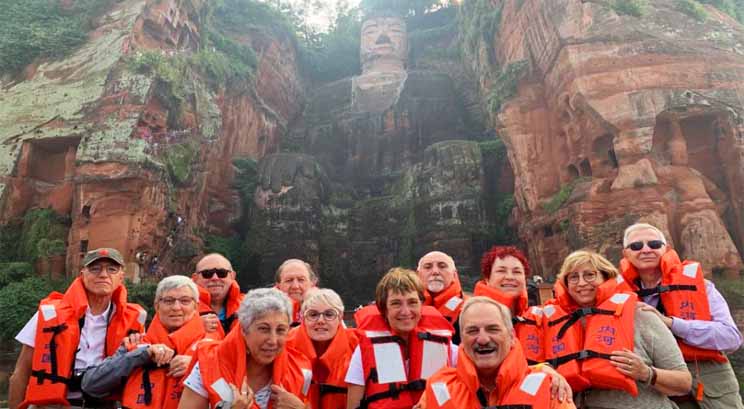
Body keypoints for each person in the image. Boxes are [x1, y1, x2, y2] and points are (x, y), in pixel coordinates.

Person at [618, 223, 743, 408]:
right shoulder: (617, 296)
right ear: (626, 254)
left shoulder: (702, 286)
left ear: (666, 249)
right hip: (654, 379)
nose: (645, 250)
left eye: (654, 244)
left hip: (707, 375)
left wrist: (671, 323)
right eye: (636, 246)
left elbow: (731, 338)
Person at [544, 249, 691, 408]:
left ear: (606, 277)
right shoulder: (556, 325)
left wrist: (646, 373)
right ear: (565, 284)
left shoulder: (641, 316)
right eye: (573, 277)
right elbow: (534, 365)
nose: (581, 283)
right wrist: (547, 370)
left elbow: (684, 382)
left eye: (590, 275)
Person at [9, 248, 147, 409]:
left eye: (112, 269)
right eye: (95, 269)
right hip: (55, 405)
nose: (103, 275)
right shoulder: (49, 314)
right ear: (82, 275)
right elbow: (20, 373)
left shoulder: (133, 321)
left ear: (121, 277)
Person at [420, 296, 575, 409]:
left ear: (512, 336)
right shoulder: (436, 390)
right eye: (472, 331)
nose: (482, 339)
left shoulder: (551, 389)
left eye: (493, 329)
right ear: (461, 339)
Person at [81, 276, 208, 409]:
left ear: (196, 306)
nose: (176, 307)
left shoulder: (211, 347)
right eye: (168, 301)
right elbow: (90, 384)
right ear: (157, 306)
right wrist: (143, 355)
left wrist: (197, 367)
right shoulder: (136, 344)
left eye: (185, 301)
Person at [178, 288, 312, 409]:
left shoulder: (301, 371)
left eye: (281, 330)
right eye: (263, 329)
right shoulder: (207, 366)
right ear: (244, 330)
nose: (273, 340)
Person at [346, 268, 457, 409]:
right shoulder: (363, 352)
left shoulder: (449, 350)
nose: (405, 311)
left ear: (421, 305)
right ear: (384, 309)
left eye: (412, 302)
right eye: (396, 303)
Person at [287, 289, 359, 409]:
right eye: (313, 314)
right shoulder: (284, 346)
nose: (320, 321)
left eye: (329, 314)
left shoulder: (359, 346)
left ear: (340, 317)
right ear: (303, 318)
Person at [475, 246, 545, 363]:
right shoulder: (468, 319)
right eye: (501, 271)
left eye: (517, 272)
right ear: (487, 279)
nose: (509, 277)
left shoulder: (540, 318)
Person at [416, 251, 466, 343]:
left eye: (442, 266)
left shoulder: (470, 308)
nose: (435, 272)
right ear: (418, 275)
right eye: (428, 267)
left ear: (454, 275)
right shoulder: (406, 309)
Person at [192, 253, 243, 339]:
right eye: (207, 273)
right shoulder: (179, 308)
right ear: (195, 278)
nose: (215, 278)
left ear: (232, 276)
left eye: (222, 273)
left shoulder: (250, 307)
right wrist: (194, 327)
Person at [275, 259, 318, 326]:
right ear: (278, 286)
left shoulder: (327, 309)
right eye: (289, 280)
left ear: (312, 283)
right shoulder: (264, 311)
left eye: (301, 280)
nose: (295, 286)